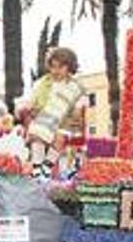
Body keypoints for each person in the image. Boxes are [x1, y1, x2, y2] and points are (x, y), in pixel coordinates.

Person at [16, 47, 87, 178]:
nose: (56, 71)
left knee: (60, 136)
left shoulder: (76, 87)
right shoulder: (42, 83)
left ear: (69, 67)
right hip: (44, 117)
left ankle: (47, 167)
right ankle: (38, 168)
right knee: (38, 131)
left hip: (65, 120)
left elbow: (80, 105)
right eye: (53, 67)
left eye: (60, 67)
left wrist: (76, 114)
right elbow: (32, 101)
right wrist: (27, 108)